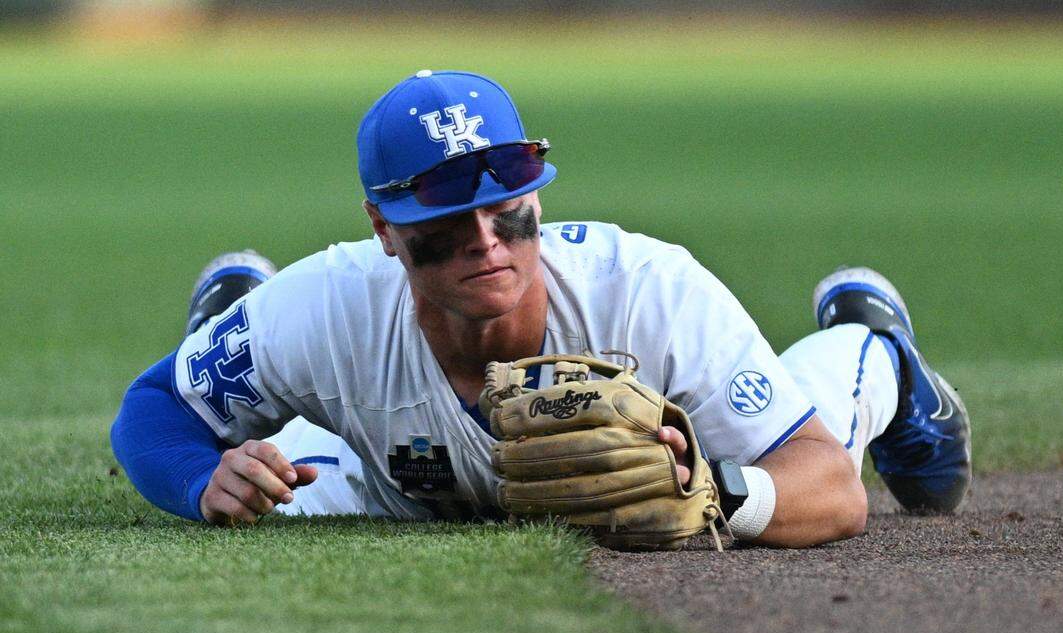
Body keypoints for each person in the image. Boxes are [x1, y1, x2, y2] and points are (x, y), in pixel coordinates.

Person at [110, 70, 970, 548]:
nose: (487, 239)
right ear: (383, 227)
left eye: (508, 204)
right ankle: (227, 343)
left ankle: (877, 348)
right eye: (448, 218)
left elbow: (830, 488)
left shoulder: (647, 290)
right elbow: (152, 410)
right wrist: (198, 478)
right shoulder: (330, 303)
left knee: (824, 422)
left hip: (688, 442)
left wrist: (717, 488)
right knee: (267, 485)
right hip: (391, 481)